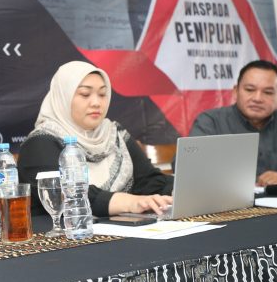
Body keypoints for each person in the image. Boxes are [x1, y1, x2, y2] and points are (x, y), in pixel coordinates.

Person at [18, 61, 173, 218]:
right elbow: (67, 195)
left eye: (102, 94)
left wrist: (178, 190)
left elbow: (149, 181)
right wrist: (130, 202)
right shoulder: (39, 143)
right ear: (63, 97)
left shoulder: (114, 134)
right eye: (85, 94)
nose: (96, 103)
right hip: (64, 232)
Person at [189, 60, 277, 187]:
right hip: (226, 200)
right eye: (250, 90)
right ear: (235, 91)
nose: (257, 98)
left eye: (268, 92)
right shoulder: (210, 122)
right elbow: (191, 166)